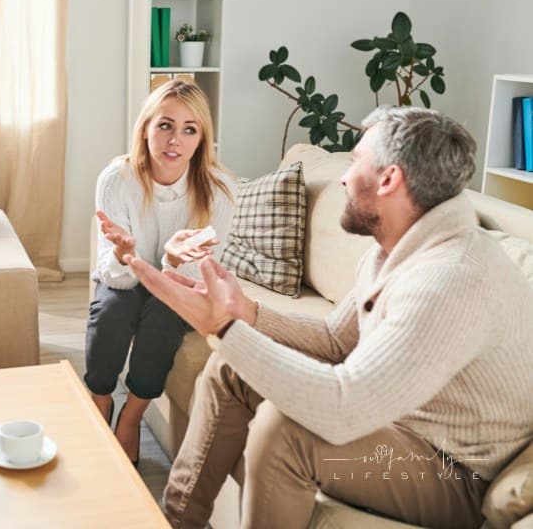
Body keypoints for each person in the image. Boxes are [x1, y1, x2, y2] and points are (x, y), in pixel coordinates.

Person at [126, 106, 533, 528]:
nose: (343, 176)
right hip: (401, 423)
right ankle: (175, 521)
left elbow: (342, 410)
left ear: (389, 179)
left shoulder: (446, 279)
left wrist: (223, 328)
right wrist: (244, 312)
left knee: (284, 432)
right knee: (232, 368)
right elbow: (338, 340)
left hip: (455, 470)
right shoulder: (398, 247)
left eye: (355, 161)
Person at [87, 80, 235, 466]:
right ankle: (99, 404)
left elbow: (194, 279)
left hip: (180, 286)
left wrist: (167, 263)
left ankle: (131, 418)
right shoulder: (116, 179)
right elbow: (113, 276)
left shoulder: (219, 190)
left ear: (202, 138)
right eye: (165, 125)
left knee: (163, 318)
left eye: (190, 129)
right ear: (146, 128)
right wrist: (124, 256)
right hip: (125, 276)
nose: (175, 140)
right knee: (112, 311)